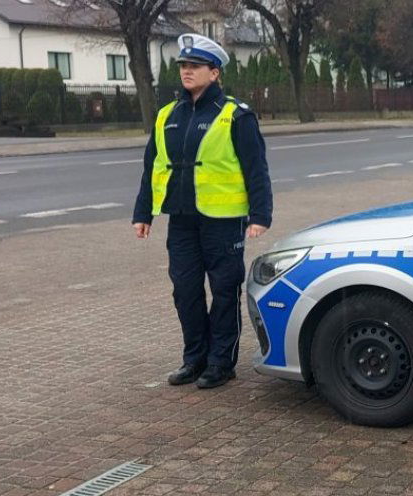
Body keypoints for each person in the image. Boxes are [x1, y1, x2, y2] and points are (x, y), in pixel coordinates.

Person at [132, 33, 272, 389]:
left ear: (215, 72)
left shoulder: (234, 115)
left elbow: (256, 167)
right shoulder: (167, 116)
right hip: (181, 220)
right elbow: (152, 167)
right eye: (183, 66)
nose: (186, 71)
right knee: (185, 290)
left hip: (223, 222)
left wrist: (259, 215)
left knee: (225, 291)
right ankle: (193, 358)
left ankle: (220, 363)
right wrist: (143, 212)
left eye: (194, 66)